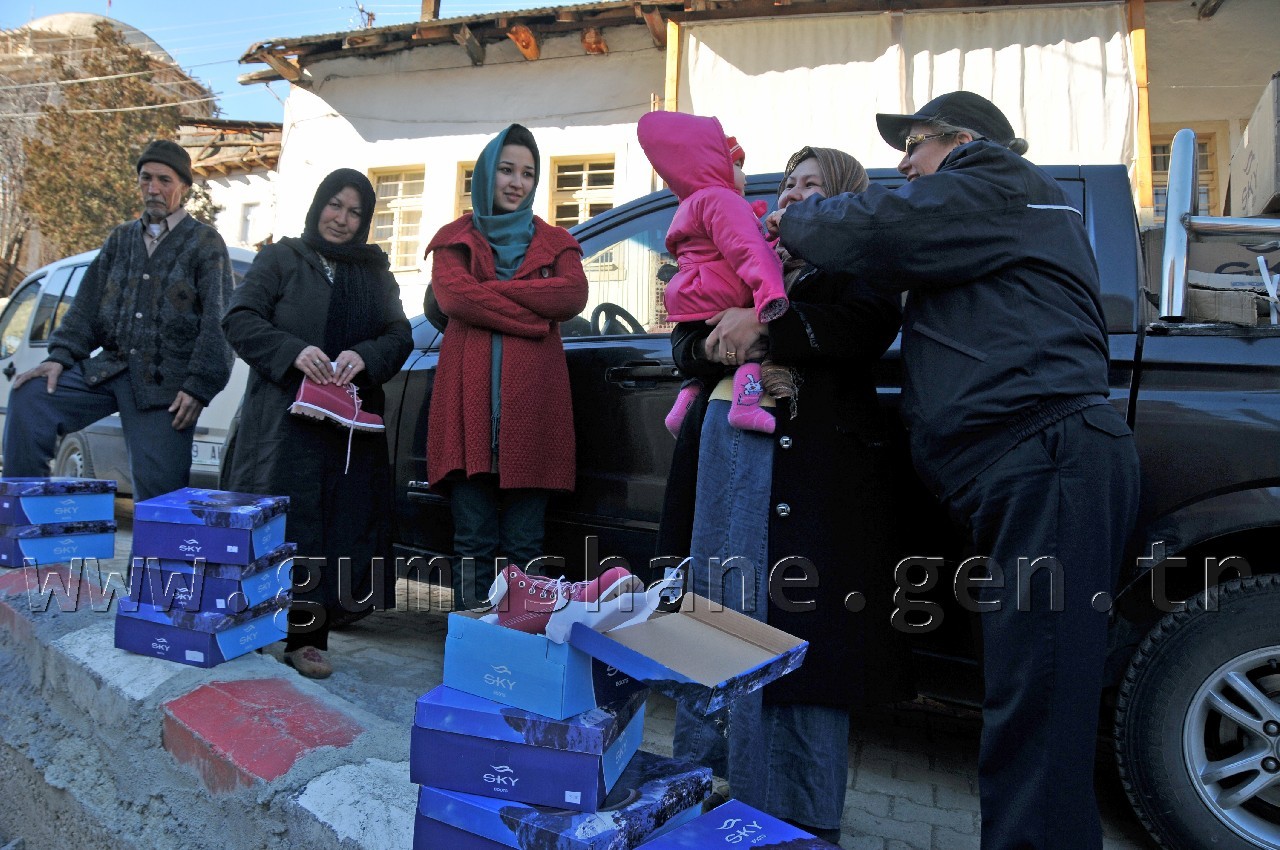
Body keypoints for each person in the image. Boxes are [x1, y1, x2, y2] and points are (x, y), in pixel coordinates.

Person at [766, 91, 1141, 850]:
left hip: (1049, 458)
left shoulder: (995, 179)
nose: (903, 164)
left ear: (960, 140)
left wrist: (786, 220)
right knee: (1027, 697)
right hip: (1034, 463)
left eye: (915, 146)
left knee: (1037, 709)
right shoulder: (991, 209)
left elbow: (882, 227)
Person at [660, 145, 915, 846]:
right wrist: (719, 344)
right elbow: (684, 341)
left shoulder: (856, 266)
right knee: (714, 620)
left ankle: (798, 817)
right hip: (724, 481)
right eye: (791, 184)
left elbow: (866, 328)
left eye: (814, 186)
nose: (795, 195)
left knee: (800, 648)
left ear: (844, 200)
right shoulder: (736, 257)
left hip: (812, 493)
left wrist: (767, 331)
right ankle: (708, 789)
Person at [221, 168, 412, 680]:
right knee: (272, 526)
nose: (342, 219)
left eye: (355, 211)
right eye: (335, 205)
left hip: (345, 431)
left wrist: (364, 355)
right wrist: (293, 351)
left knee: (333, 529)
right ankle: (252, 628)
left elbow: (399, 335)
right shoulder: (281, 258)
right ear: (318, 204)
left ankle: (308, 640)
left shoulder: (373, 272)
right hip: (280, 426)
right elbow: (240, 318)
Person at [3, 140, 234, 503]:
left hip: (165, 386)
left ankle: (151, 562)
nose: (153, 189)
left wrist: (199, 386)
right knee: (30, 396)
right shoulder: (121, 238)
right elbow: (87, 305)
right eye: (146, 179)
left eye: (164, 180)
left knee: (161, 497)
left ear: (185, 188)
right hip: (108, 370)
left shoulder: (205, 243)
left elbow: (218, 321)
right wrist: (59, 357)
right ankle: (24, 520)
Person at [424, 124, 589, 609]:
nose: (517, 182)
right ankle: (473, 651)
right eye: (507, 170)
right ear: (486, 175)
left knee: (525, 549)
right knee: (473, 544)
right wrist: (535, 319)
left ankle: (516, 652)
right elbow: (451, 295)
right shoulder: (454, 239)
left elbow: (571, 295)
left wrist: (485, 294)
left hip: (532, 418)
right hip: (468, 417)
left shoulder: (557, 242)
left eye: (528, 173)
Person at [637, 111, 788, 437]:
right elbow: (750, 251)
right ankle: (745, 406)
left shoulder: (692, 203)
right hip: (725, 293)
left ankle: (682, 409)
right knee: (755, 343)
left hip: (696, 296)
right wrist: (769, 296)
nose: (745, 176)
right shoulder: (722, 199)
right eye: (738, 165)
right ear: (714, 164)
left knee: (709, 361)